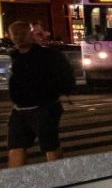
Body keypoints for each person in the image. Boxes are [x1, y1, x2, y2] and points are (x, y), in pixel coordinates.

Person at [5, 20, 75, 168]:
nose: (19, 37)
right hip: (20, 109)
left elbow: (66, 76)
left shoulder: (47, 55)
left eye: (22, 33)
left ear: (30, 34)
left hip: (44, 107)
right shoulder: (15, 56)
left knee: (50, 146)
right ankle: (14, 182)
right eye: (15, 34)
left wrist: (58, 92)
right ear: (10, 36)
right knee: (16, 146)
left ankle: (59, 178)